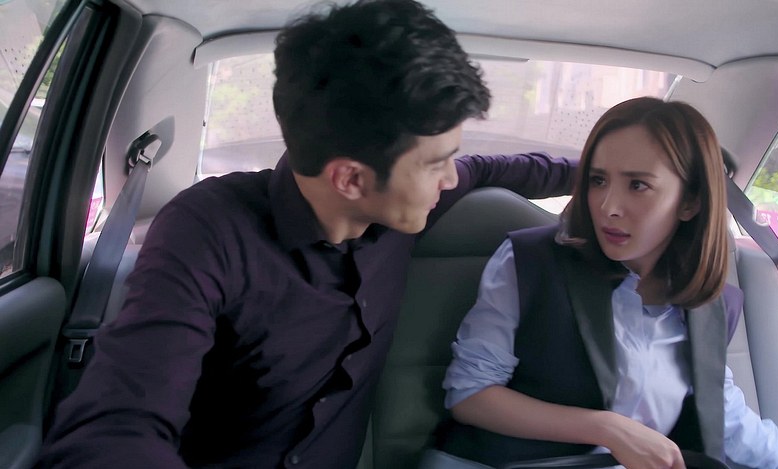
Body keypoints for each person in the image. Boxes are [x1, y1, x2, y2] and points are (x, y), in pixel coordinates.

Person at [36, 0, 576, 468]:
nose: (452, 178)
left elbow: (501, 167)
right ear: (350, 179)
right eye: (437, 164)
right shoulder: (208, 231)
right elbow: (117, 423)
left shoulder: (403, 203)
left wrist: (600, 175)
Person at [423, 97, 778, 469]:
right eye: (598, 180)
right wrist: (608, 429)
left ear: (690, 202)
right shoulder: (530, 263)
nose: (608, 207)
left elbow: (727, 419)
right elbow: (470, 394)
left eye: (638, 185)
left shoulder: (713, 305)